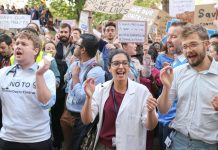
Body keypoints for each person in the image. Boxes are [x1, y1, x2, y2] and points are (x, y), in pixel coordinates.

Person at [81, 50, 158, 150]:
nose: (121, 67)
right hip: (104, 146)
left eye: (125, 63)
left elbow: (150, 126)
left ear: (129, 67)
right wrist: (88, 98)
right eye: (116, 63)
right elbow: (86, 120)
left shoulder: (142, 91)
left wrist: (151, 111)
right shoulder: (101, 89)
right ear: (109, 68)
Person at [158, 24, 218, 149]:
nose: (188, 50)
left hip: (207, 145)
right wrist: (166, 88)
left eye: (193, 44)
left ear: (206, 44)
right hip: (177, 141)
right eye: (185, 46)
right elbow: (163, 110)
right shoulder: (178, 71)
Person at [0, 28, 56, 150]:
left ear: (36, 50)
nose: (18, 47)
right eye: (17, 43)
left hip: (37, 139)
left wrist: (39, 75)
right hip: (8, 139)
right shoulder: (3, 73)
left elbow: (46, 103)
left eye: (24, 44)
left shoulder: (47, 74)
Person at [66, 33, 105, 150]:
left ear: (83, 50)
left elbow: (83, 98)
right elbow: (68, 88)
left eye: (77, 44)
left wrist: (75, 77)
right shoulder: (74, 64)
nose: (74, 46)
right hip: (68, 114)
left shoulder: (96, 72)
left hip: (82, 119)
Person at [158, 21, 187, 150]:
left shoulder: (190, 66)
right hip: (165, 121)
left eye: (174, 37)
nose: (168, 40)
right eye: (168, 36)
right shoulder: (176, 63)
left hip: (175, 127)